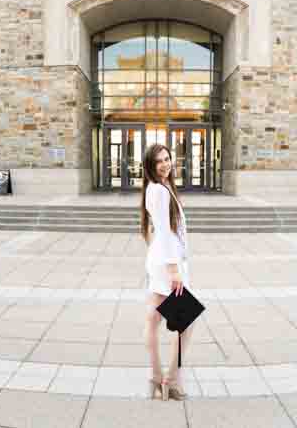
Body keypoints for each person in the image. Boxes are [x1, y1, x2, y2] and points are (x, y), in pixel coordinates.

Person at [138, 143, 190, 401]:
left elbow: (157, 230)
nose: (165, 164)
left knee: (153, 319)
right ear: (149, 165)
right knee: (186, 323)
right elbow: (166, 229)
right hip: (168, 265)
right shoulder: (158, 190)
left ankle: (157, 379)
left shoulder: (159, 187)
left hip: (161, 260)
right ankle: (170, 378)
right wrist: (174, 270)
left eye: (167, 158)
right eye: (158, 161)